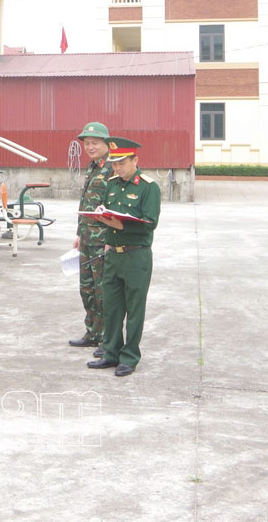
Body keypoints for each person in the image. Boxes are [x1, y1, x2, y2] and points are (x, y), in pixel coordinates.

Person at [86, 136, 160, 378]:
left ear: (135, 161)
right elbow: (109, 213)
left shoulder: (148, 187)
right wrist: (102, 216)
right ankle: (111, 352)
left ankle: (129, 357)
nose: (117, 168)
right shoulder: (112, 184)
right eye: (114, 163)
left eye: (122, 163)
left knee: (134, 310)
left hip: (136, 256)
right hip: (114, 255)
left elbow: (150, 223)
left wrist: (121, 225)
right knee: (112, 307)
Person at [70, 122, 113, 355]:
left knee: (103, 291)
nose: (90, 147)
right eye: (87, 143)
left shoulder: (113, 168)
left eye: (95, 143)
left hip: (102, 240)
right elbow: (86, 203)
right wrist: (79, 233)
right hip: (87, 238)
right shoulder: (93, 167)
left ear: (106, 143)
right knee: (86, 289)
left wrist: (112, 239)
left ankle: (108, 338)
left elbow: (115, 205)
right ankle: (93, 333)